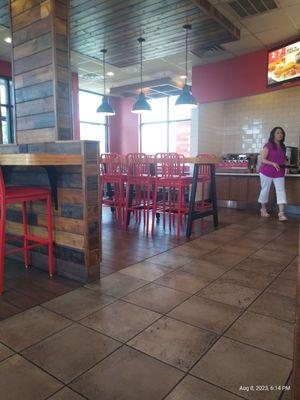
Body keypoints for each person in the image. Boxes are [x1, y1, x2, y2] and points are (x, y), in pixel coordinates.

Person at [258, 126, 287, 221]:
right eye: (278, 133)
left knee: (281, 191)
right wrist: (273, 163)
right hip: (266, 171)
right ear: (273, 134)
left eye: (281, 133)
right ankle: (263, 209)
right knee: (265, 190)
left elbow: (283, 160)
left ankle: (281, 213)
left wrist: (287, 167)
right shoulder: (268, 145)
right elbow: (262, 159)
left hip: (279, 172)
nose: (280, 134)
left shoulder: (283, 147)